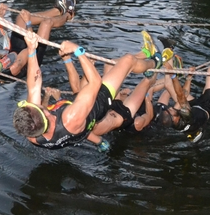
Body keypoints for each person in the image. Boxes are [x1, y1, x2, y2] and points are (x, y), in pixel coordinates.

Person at [12, 31, 163, 150]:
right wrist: (78, 51)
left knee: (112, 67)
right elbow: (95, 82)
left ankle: (144, 55)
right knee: (127, 61)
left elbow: (34, 84)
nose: (34, 103)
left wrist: (32, 51)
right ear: (44, 113)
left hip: (79, 122)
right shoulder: (71, 118)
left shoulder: (32, 134)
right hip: (99, 103)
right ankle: (154, 62)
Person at [0, 0, 76, 80]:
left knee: (21, 17)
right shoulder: (15, 65)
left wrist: (0, 16)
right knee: (46, 23)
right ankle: (69, 14)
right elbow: (32, 46)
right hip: (32, 56)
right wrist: (28, 22)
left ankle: (58, 10)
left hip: (15, 51)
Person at [162, 42, 210, 142]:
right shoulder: (186, 117)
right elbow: (181, 95)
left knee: (168, 85)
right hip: (206, 106)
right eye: (170, 111)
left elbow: (184, 95)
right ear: (175, 119)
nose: (170, 108)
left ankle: (168, 48)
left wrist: (189, 78)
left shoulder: (174, 122)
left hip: (193, 107)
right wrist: (173, 75)